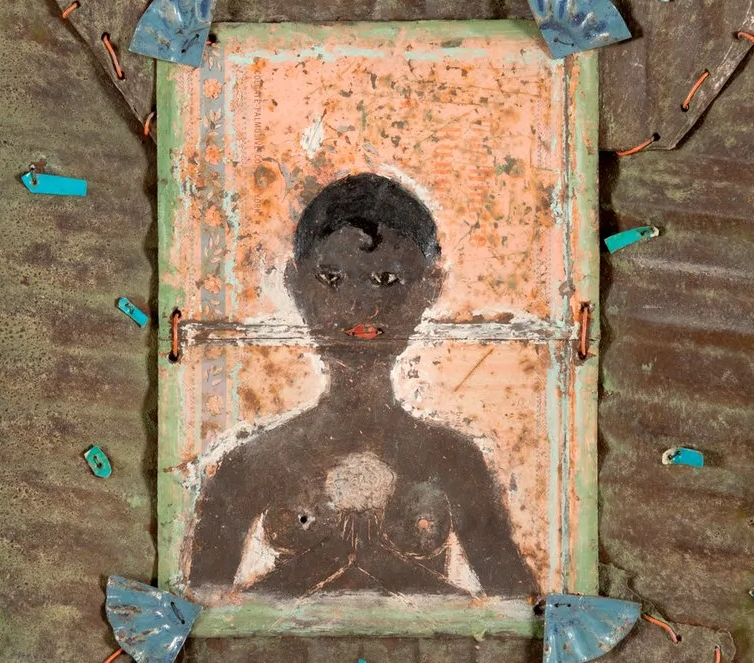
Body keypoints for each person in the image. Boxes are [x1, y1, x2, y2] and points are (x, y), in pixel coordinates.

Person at [182, 173, 533, 600]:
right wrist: (334, 557)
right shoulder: (249, 466)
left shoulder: (456, 462)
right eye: (332, 279)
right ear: (295, 285)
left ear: (429, 287)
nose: (359, 305)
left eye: (386, 280)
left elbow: (519, 609)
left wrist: (375, 558)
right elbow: (200, 614)